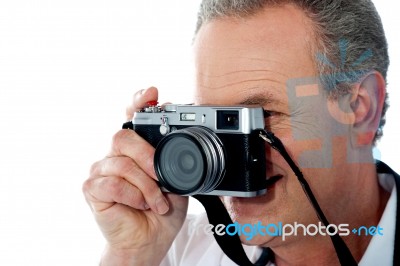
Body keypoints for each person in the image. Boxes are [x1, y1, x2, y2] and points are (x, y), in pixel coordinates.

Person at [83, 0, 399, 265]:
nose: (224, 153)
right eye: (213, 119)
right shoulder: (177, 252)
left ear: (361, 108)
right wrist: (131, 255)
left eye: (261, 116)